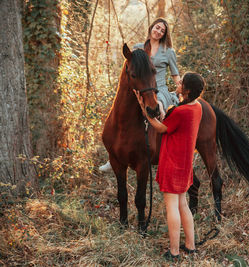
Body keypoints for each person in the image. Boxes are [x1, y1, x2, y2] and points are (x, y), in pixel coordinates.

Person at [135, 72, 205, 261]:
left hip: (172, 163)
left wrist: (145, 113)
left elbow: (162, 128)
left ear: (187, 90)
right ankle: (190, 247)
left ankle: (174, 252)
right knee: (183, 204)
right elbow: (170, 121)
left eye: (181, 82)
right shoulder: (196, 107)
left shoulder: (181, 111)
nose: (178, 82)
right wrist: (161, 113)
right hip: (185, 164)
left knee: (172, 207)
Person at [99, 18, 180, 172]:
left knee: (159, 109)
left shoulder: (168, 52)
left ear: (164, 34)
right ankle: (114, 155)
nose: (158, 32)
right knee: (124, 111)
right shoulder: (138, 48)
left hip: (159, 89)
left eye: (162, 31)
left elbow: (175, 75)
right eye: (157, 28)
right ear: (152, 27)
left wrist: (182, 87)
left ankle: (162, 146)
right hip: (141, 88)